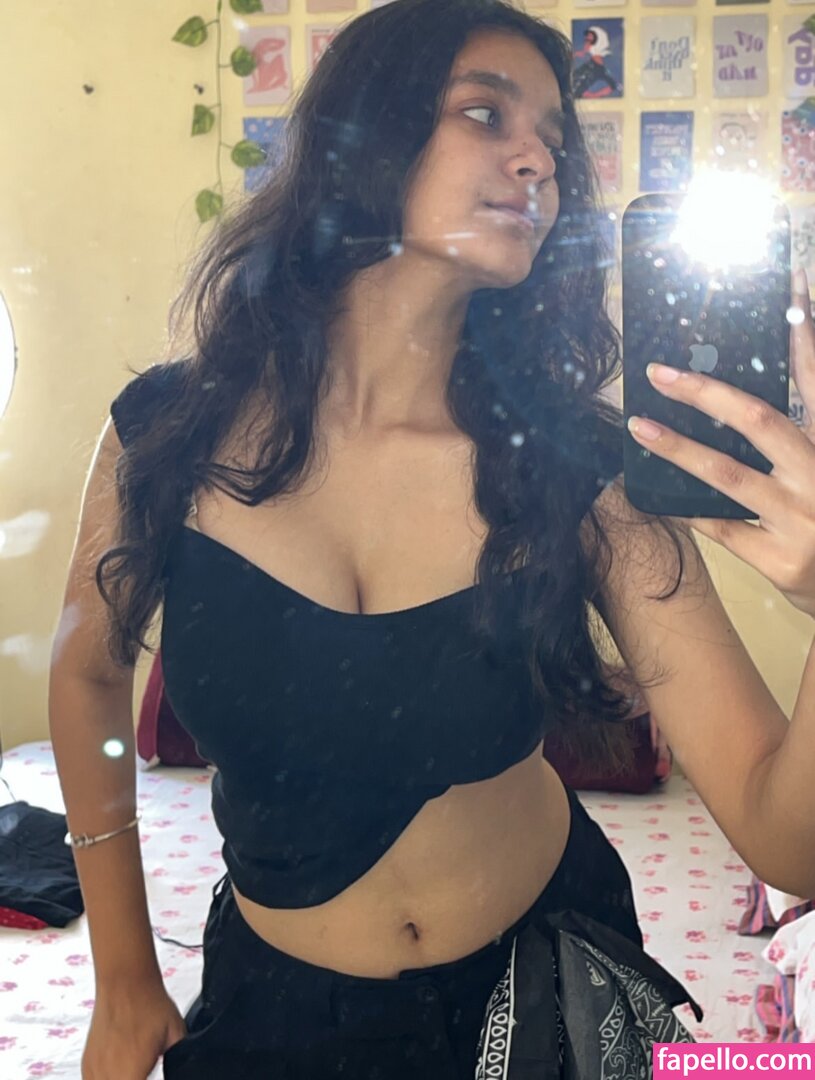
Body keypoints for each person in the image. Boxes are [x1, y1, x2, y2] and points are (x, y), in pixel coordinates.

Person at [48, 1, 815, 1078]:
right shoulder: (167, 432)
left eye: (553, 140)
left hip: (541, 1001)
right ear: (365, 135)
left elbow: (786, 843)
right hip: (276, 1008)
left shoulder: (581, 469)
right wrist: (125, 975)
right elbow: (86, 674)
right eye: (484, 113)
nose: (537, 161)